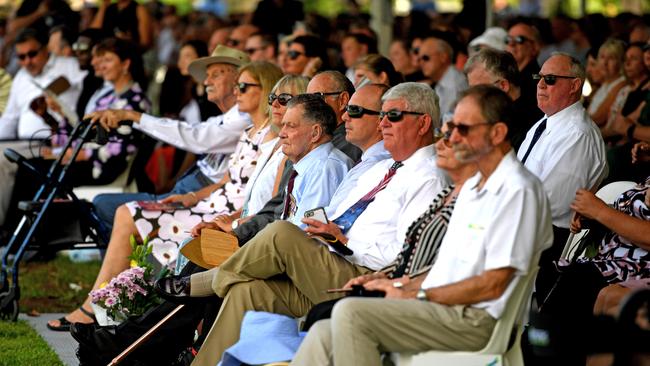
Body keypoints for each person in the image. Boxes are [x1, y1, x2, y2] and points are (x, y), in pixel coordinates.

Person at [161, 82, 448, 366]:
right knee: (247, 290)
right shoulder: (383, 168)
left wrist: (344, 242)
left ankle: (208, 282)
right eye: (382, 114)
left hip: (363, 277)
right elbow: (332, 216)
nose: (383, 123)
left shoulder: (428, 178)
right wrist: (325, 233)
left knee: (281, 233)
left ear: (423, 123)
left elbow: (403, 256)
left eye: (393, 116)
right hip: (328, 263)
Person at [292, 85, 553, 366]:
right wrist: (394, 282)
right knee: (323, 331)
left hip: (476, 319)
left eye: (463, 129)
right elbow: (443, 268)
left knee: (350, 314)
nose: (451, 137)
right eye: (451, 126)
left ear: (497, 133)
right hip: (440, 305)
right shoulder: (475, 186)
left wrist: (416, 293)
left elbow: (494, 284)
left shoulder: (516, 190)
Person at [46, 61, 282, 332]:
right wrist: (191, 197)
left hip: (223, 214)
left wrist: (229, 219)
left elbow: (263, 198)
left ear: (265, 90)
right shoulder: (248, 131)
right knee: (128, 212)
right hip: (207, 203)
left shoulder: (272, 139)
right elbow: (228, 179)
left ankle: (101, 308)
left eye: (242, 86)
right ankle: (109, 306)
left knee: (128, 213)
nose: (236, 92)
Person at [301, 120, 479, 331]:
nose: (439, 144)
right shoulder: (447, 195)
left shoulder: (467, 197)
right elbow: (412, 255)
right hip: (394, 280)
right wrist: (380, 276)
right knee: (269, 294)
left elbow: (466, 274)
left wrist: (407, 289)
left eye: (450, 139)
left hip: (436, 305)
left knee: (280, 236)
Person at [89, 46, 252, 235]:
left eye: (215, 75)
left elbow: (195, 138)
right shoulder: (227, 117)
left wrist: (133, 116)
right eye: (207, 75)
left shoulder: (245, 119)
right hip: (192, 190)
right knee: (104, 204)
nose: (206, 81)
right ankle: (131, 260)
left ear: (238, 81)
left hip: (204, 199)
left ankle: (131, 260)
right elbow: (196, 135)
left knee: (104, 204)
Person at [529, 176, 650, 363]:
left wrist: (600, 211)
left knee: (578, 286)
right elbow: (636, 216)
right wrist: (594, 216)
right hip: (607, 260)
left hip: (630, 270)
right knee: (555, 275)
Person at [518, 53, 608, 275]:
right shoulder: (546, 122)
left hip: (546, 241)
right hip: (525, 226)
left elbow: (552, 204)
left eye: (550, 79)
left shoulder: (578, 134)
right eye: (539, 78)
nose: (540, 85)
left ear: (574, 86)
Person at [193, 75, 310, 236]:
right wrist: (225, 221)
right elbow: (250, 205)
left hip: (256, 234)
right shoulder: (272, 146)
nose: (275, 104)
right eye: (272, 98)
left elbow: (272, 213)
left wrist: (234, 225)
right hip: (244, 224)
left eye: (284, 99)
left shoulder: (291, 154)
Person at [464, 48, 543, 151]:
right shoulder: (495, 114)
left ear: (503, 85)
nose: (474, 97)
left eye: (479, 89)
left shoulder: (531, 122)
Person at [418, 35, 468, 117]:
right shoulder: (444, 80)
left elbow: (446, 121)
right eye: (419, 59)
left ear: (443, 57)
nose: (421, 63)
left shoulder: (453, 84)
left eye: (425, 58)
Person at [505, 22, 541, 115]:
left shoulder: (538, 80)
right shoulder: (507, 75)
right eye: (508, 39)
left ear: (534, 47)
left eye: (519, 39)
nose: (511, 44)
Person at [589, 39, 626, 127]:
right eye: (602, 57)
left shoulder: (622, 83)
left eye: (611, 58)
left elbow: (599, 117)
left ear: (621, 62)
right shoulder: (604, 85)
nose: (605, 63)